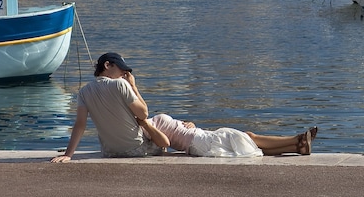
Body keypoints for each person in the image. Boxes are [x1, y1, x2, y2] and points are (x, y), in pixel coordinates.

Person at [51, 52, 317, 162]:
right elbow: (143, 114)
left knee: (245, 139)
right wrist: (134, 86)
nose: (124, 74)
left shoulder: (84, 92)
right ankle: (295, 142)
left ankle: (296, 144)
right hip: (178, 143)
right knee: (244, 137)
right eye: (122, 69)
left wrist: (70, 154)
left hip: (124, 148)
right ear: (108, 66)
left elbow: (80, 125)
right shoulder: (121, 87)